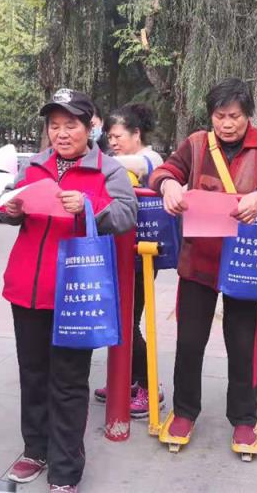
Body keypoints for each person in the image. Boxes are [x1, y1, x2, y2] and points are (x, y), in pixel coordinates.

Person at [148, 78, 257, 448]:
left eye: (234, 116)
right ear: (211, 116)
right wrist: (168, 185)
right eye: (219, 116)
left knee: (242, 343)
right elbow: (162, 171)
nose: (227, 124)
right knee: (189, 342)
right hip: (198, 261)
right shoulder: (195, 144)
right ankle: (184, 411)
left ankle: (244, 418)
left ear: (247, 114)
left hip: (244, 263)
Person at [0, 88, 136, 491]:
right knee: (32, 374)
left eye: (70, 125)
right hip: (27, 288)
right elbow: (11, 206)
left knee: (69, 382)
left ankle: (65, 469)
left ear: (90, 127)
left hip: (75, 292)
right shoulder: (35, 165)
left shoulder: (108, 170)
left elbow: (126, 214)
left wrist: (89, 205)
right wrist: (11, 209)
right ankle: (34, 449)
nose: (60, 133)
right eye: (54, 125)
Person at [93, 103, 164, 417]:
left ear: (137, 134)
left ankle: (150, 387)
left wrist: (93, 158)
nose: (113, 142)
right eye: (109, 137)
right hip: (117, 250)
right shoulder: (115, 161)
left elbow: (132, 165)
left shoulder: (151, 158)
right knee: (118, 320)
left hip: (140, 256)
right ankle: (125, 379)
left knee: (128, 322)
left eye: (118, 136)